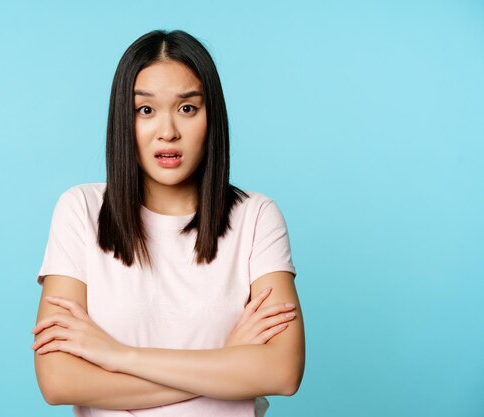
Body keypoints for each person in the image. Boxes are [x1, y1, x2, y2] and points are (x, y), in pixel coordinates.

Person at [31, 29, 305, 417]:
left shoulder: (256, 217)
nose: (168, 132)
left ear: (213, 118)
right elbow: (59, 382)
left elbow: (282, 372)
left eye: (187, 108)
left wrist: (117, 356)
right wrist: (225, 362)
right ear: (123, 121)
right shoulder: (81, 211)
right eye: (145, 110)